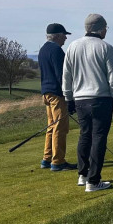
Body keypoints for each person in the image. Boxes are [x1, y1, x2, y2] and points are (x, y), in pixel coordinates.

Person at [62, 14, 113, 192]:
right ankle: (93, 180)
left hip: (80, 99)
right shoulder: (105, 47)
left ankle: (83, 175)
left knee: (85, 135)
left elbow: (66, 76)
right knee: (98, 138)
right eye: (105, 27)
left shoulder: (72, 46)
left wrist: (68, 98)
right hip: (101, 99)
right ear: (100, 28)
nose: (106, 31)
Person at [38, 23, 76, 172]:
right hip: (57, 94)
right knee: (60, 128)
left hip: (46, 94)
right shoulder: (57, 51)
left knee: (51, 127)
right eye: (64, 35)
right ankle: (58, 161)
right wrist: (69, 97)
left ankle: (47, 158)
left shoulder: (43, 50)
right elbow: (63, 77)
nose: (66, 38)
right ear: (58, 36)